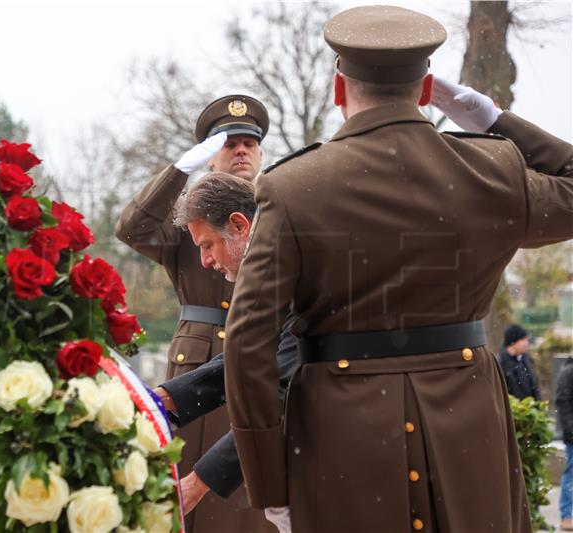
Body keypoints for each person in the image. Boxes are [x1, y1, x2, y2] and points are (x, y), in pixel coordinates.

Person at [223, 5, 573, 532]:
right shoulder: (491, 169)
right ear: (428, 89)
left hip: (340, 439)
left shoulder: (292, 187)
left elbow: (248, 339)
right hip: (468, 428)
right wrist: (494, 121)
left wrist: (272, 487)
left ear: (339, 89)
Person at [117, 96, 274, 532]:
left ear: (261, 154)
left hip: (265, 355)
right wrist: (179, 172)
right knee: (191, 491)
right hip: (201, 363)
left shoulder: (277, 210)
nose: (241, 151)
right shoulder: (190, 225)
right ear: (210, 157)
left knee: (249, 494)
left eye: (249, 144)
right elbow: (132, 227)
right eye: (229, 144)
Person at [147, 172, 300, 518]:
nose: (204, 261)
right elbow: (247, 360)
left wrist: (195, 484)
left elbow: (282, 387)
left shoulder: (294, 268)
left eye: (207, 245)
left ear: (239, 225)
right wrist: (160, 400)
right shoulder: (275, 263)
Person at [498, 324, 541, 400]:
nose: (526, 343)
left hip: (530, 408)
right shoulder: (501, 364)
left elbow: (534, 386)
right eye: (523, 339)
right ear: (513, 342)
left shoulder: (527, 359)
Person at [557, 357, 573, 531]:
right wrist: (571, 430)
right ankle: (566, 515)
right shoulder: (569, 372)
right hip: (572, 436)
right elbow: (563, 402)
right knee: (571, 474)